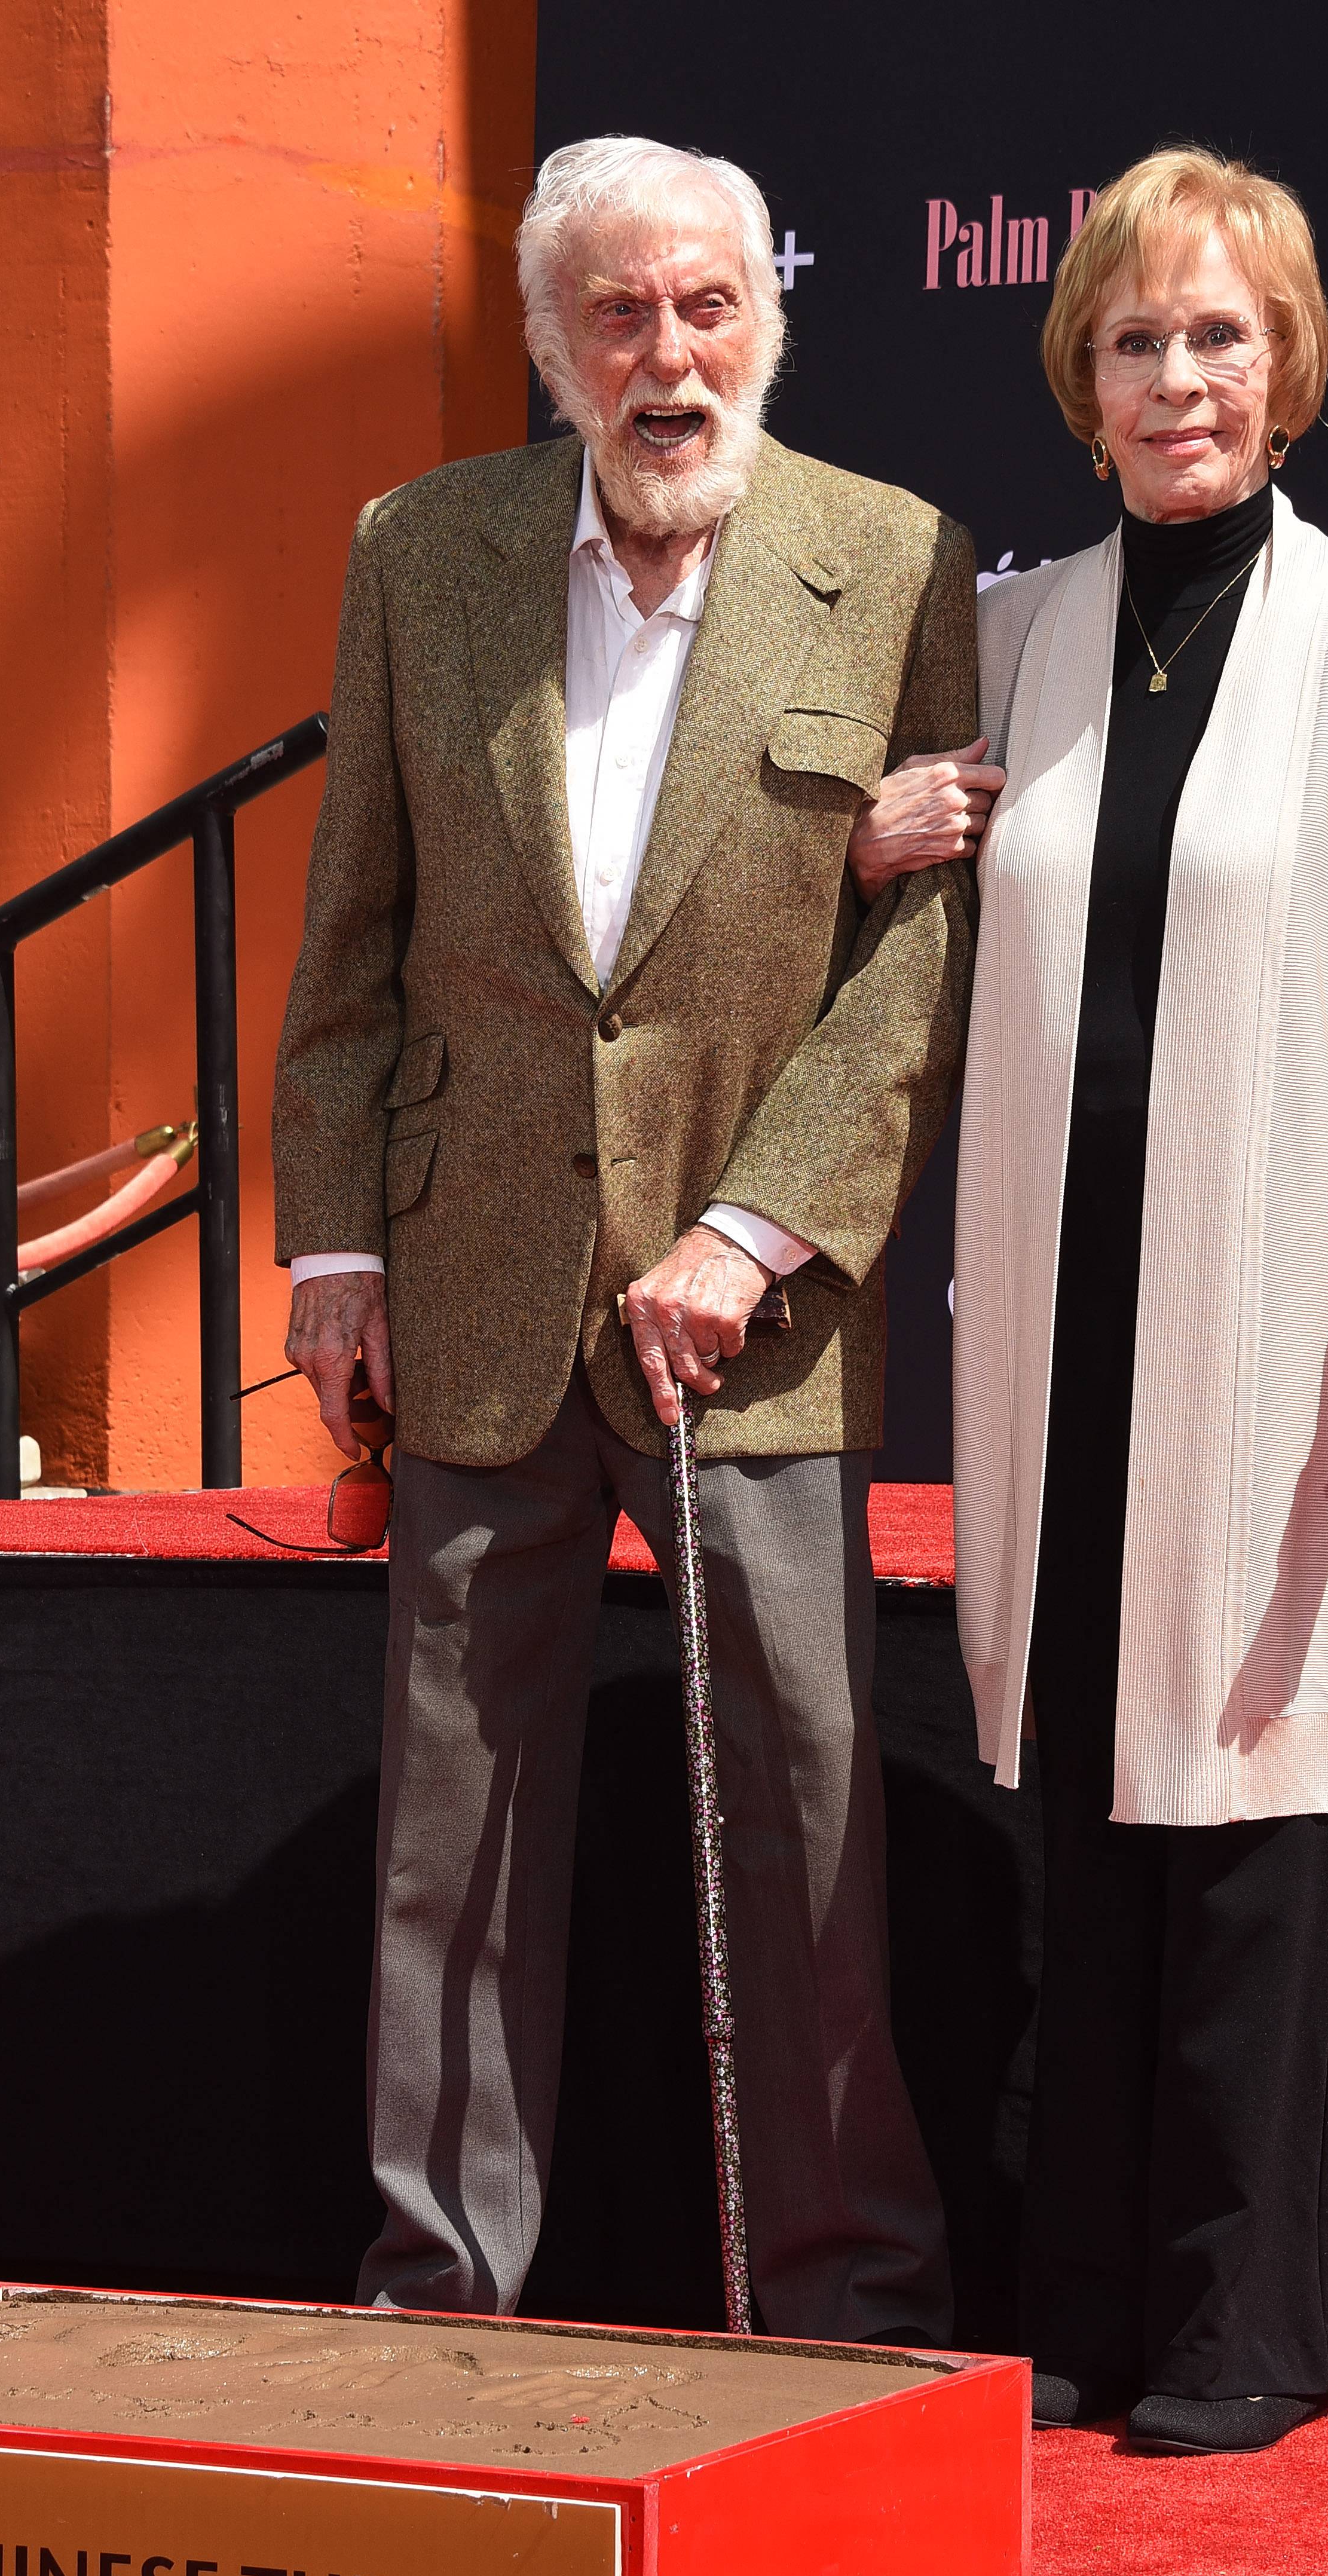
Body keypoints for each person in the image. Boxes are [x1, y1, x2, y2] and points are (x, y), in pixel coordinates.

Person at [273, 134, 998, 2344]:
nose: (665, 356)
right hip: (468, 1276)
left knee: (801, 1825)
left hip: (745, 1315)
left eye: (704, 309)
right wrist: (331, 1255)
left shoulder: (888, 559)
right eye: (618, 314)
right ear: (551, 345)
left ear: (762, 321)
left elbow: (919, 958)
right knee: (451, 1848)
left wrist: (756, 1229)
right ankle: (437, 2298)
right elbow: (355, 936)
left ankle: (845, 2306)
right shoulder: (425, 551)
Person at [947, 146, 1328, 2451]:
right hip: (1048, 1331)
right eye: (1136, 340)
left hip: (1265, 1309)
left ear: (1289, 370)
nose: (1177, 377)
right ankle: (1074, 2298)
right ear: (1079, 377)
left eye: (1219, 337)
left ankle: (1236, 2328)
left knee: (1247, 1811)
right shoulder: (1015, 631)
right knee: (1072, 1802)